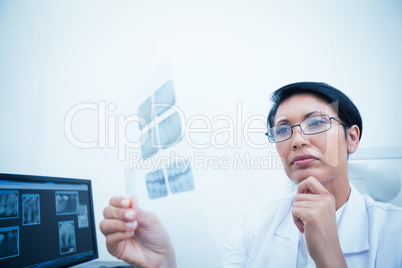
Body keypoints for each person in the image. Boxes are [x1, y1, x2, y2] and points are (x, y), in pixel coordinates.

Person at [100, 82, 402, 268]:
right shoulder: (254, 221)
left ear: (352, 138)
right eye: (283, 130)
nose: (297, 140)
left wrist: (329, 258)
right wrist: (163, 262)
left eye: (316, 123)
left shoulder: (394, 232)